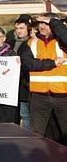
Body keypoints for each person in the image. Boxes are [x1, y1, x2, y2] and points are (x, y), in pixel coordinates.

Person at [18, 13, 67, 141]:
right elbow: (28, 63)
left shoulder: (62, 42)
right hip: (39, 97)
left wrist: (53, 21)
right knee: (37, 134)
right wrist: (52, 63)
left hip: (63, 95)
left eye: (46, 23)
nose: (42, 26)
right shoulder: (31, 43)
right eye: (40, 23)